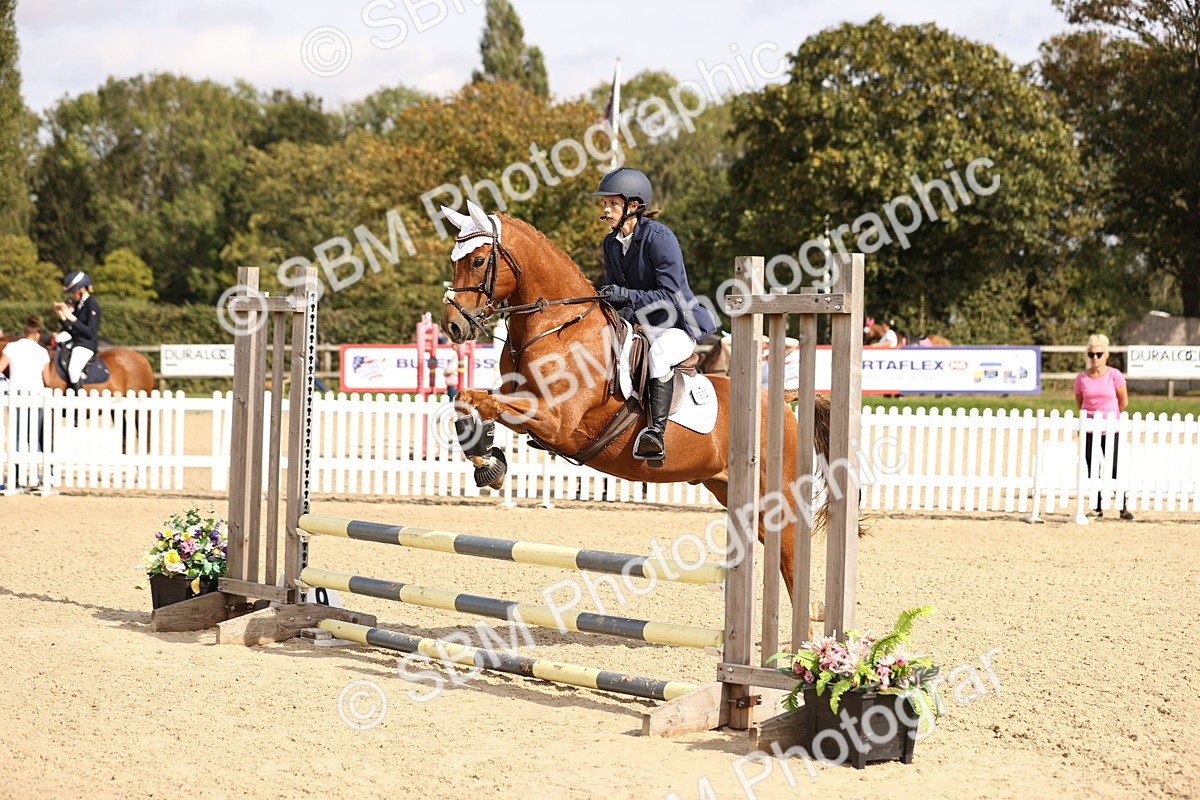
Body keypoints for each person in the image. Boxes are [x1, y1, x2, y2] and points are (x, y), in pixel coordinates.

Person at [593, 167, 719, 465]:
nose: (606, 209)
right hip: (637, 325)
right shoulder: (611, 243)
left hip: (675, 326)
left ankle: (655, 433)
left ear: (633, 205)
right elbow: (616, 293)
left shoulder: (660, 238)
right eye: (605, 203)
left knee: (659, 355)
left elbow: (672, 296)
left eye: (612, 203)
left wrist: (628, 296)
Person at [1074, 333, 1133, 520]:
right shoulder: (1082, 378)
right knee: (1093, 468)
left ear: (1106, 355)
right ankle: (1096, 507)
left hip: (1110, 428)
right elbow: (1080, 402)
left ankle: (1122, 506)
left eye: (1099, 354)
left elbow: (1123, 400)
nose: (1095, 358)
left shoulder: (1114, 375)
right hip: (1089, 428)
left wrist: (1111, 415)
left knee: (1114, 466)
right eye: (1092, 354)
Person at [0, 317, 51, 489]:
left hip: (16, 396)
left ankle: (14, 477)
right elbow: (47, 380)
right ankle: (34, 477)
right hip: (36, 396)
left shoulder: (11, 347)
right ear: (37, 335)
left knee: (16, 436)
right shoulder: (42, 351)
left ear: (24, 332)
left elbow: (0, 368)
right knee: (34, 436)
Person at [53, 271, 102, 393]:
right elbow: (72, 329)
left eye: (73, 291)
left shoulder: (92, 305)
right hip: (75, 342)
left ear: (81, 289)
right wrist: (62, 316)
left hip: (86, 344)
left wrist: (72, 317)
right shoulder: (80, 304)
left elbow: (91, 332)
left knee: (73, 370)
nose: (72, 295)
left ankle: (78, 399)